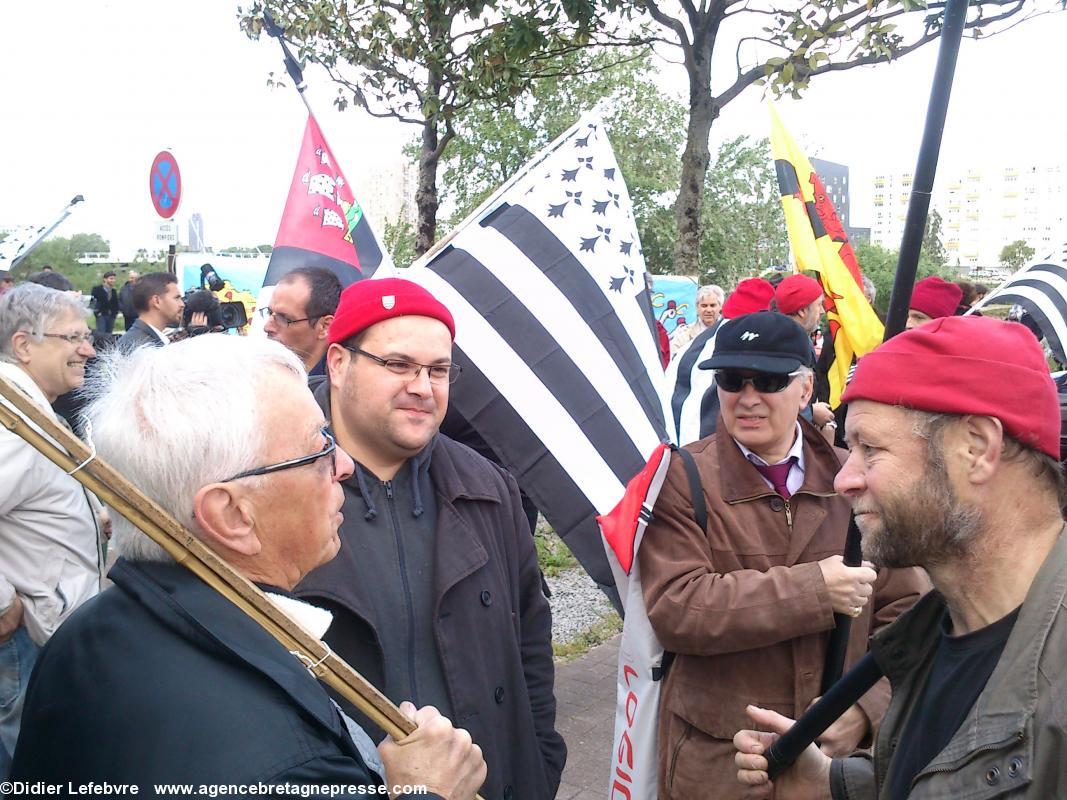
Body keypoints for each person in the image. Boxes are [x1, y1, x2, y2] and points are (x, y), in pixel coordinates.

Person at [11, 334, 486, 799]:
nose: (343, 463)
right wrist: (429, 791)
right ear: (232, 515)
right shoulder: (288, 769)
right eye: (318, 447)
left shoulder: (87, 631)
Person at [734, 314, 1067, 799]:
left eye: (871, 448)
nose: (845, 479)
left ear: (976, 448)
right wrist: (835, 782)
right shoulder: (936, 631)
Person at [637, 311, 928, 800]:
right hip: (718, 763)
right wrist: (816, 588)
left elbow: (910, 617)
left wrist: (864, 709)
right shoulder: (681, 478)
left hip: (836, 765)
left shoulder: (855, 479)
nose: (747, 398)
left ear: (805, 387)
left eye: (769, 381)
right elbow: (677, 607)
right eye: (731, 380)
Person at [296, 278, 565, 800]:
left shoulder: (489, 486)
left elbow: (530, 635)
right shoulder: (277, 487)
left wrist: (540, 760)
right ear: (337, 363)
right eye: (398, 364)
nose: (423, 386)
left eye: (438, 370)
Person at [0, 284, 105, 777]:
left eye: (87, 336)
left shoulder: (30, 408)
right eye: (74, 338)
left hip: (43, 625)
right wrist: (1, 603)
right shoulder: (13, 421)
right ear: (24, 345)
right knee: (30, 767)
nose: (88, 348)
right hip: (27, 638)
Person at [775, 274, 838, 441]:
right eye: (819, 305)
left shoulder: (795, 338)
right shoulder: (786, 345)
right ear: (802, 311)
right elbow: (777, 398)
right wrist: (812, 412)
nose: (823, 311)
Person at [261, 267, 342, 376]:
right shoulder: (262, 374)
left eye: (283, 318)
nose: (267, 327)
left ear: (324, 326)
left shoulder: (341, 389)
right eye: (270, 313)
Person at [117, 272, 185, 350]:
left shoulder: (143, 339)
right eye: (177, 298)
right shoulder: (142, 348)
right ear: (157, 301)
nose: (182, 304)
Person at [670, 284, 725, 358]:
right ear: (697, 307)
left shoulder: (728, 331)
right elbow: (674, 359)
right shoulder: (683, 335)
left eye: (712, 305)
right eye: (704, 306)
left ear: (720, 306)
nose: (708, 310)